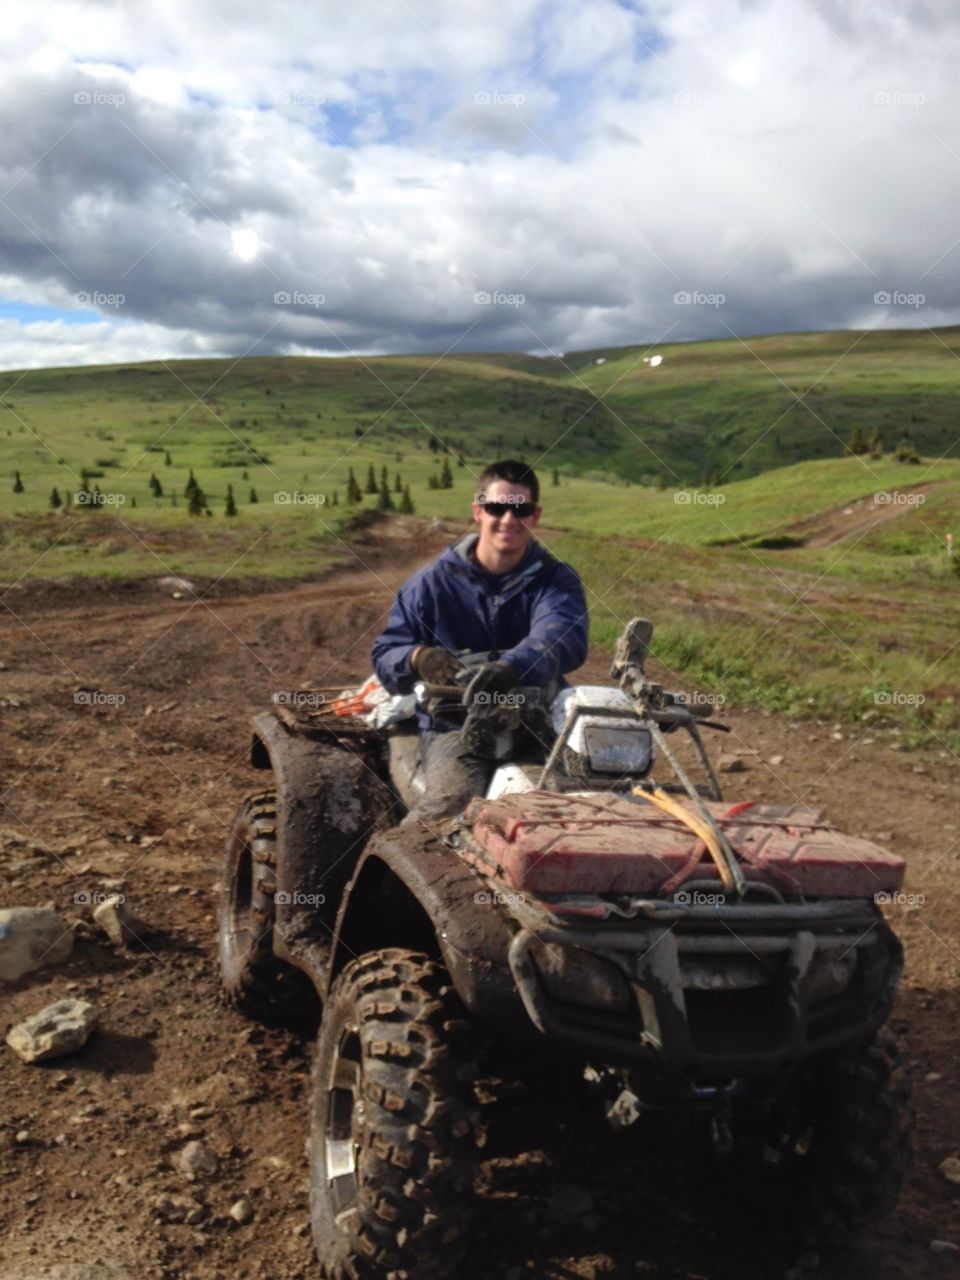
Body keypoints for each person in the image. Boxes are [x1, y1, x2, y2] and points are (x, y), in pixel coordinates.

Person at [372, 459, 588, 823]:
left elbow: (561, 632)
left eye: (520, 509)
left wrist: (511, 668)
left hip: (537, 721)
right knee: (449, 808)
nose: (508, 519)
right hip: (455, 724)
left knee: (580, 807)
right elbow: (386, 652)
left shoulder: (555, 580)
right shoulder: (430, 583)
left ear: (535, 516)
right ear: (478, 511)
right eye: (496, 507)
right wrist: (418, 658)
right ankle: (392, 859)